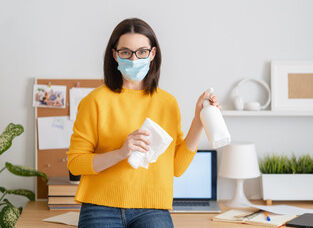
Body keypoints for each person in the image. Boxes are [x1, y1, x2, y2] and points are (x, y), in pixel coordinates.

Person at [66, 18, 221, 228]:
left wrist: (199, 120)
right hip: (99, 206)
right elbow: (75, 163)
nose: (133, 58)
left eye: (141, 51)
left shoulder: (167, 103)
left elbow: (176, 167)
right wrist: (121, 153)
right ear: (115, 55)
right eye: (125, 52)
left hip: (152, 207)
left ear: (152, 54)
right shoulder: (94, 101)